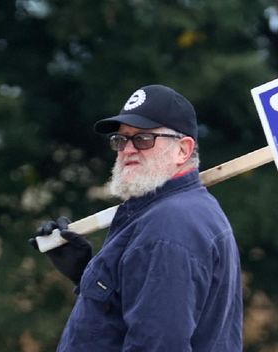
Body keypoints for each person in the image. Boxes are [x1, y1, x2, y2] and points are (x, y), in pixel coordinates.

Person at [29, 84, 243, 351]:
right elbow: (133, 315)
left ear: (183, 150)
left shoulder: (170, 224)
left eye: (143, 139)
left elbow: (158, 344)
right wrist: (87, 272)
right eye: (121, 140)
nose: (127, 149)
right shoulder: (172, 212)